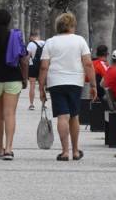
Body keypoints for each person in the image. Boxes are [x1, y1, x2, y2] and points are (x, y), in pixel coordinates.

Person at [38, 12, 96, 161]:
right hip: (75, 82)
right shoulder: (80, 41)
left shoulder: (50, 42)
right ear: (72, 25)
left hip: (56, 82)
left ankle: (64, 151)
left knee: (62, 116)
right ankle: (76, 151)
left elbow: (44, 67)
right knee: (74, 116)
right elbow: (88, 63)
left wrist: (41, 88)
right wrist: (93, 85)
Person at [0, 8, 28, 160]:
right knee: (10, 114)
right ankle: (9, 148)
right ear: (9, 20)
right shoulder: (15, 36)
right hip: (13, 78)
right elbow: (23, 59)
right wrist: (25, 78)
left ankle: (0, 148)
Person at [27, 32, 45, 110]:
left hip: (32, 66)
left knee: (32, 86)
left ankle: (31, 104)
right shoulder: (44, 43)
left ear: (31, 37)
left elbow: (27, 57)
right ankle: (43, 104)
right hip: (42, 67)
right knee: (42, 86)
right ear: (38, 36)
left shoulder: (30, 44)